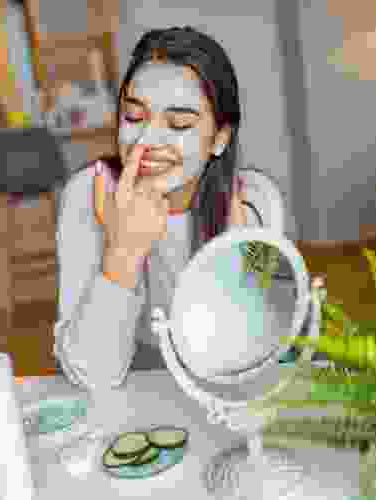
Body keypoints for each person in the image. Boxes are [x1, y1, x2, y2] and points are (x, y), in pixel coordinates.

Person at [53, 26, 289, 390]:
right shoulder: (90, 193)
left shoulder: (256, 200)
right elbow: (93, 375)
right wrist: (124, 252)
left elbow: (251, 355)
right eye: (133, 117)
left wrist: (237, 266)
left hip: (221, 391)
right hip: (131, 393)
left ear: (220, 139)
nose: (147, 141)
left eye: (179, 123)